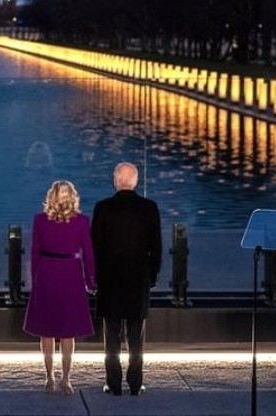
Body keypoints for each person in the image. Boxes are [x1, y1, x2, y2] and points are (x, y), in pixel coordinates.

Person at [91, 161, 162, 396]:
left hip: (109, 281)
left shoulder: (102, 208)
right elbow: (157, 248)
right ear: (136, 181)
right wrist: (151, 277)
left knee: (111, 337)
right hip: (137, 281)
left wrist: (93, 277)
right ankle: (135, 383)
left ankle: (113, 384)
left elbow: (95, 248)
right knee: (136, 337)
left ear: (115, 180)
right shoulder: (149, 208)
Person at [23, 180, 96, 395]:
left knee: (46, 331)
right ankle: (66, 378)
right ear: (72, 197)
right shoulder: (82, 221)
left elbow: (35, 252)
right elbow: (88, 254)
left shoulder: (40, 221)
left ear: (51, 197)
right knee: (67, 332)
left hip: (46, 274)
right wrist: (91, 279)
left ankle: (49, 377)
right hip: (71, 275)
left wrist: (34, 279)